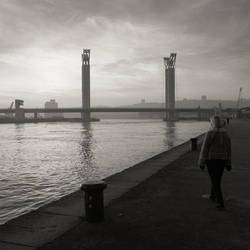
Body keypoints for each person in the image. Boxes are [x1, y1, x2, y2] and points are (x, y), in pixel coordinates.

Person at [198, 115, 232, 209]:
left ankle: (220, 202)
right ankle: (213, 196)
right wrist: (229, 163)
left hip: (211, 160)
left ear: (212, 123)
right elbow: (229, 149)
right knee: (217, 179)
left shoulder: (209, 133)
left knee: (215, 180)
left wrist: (201, 162)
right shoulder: (226, 134)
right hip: (222, 160)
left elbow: (204, 149)